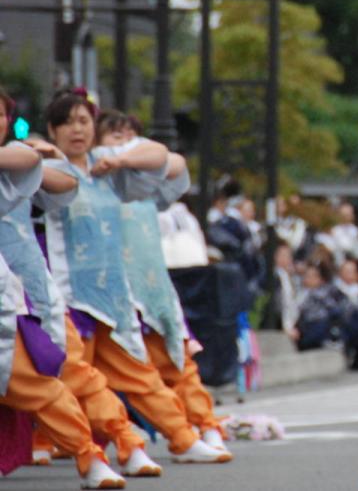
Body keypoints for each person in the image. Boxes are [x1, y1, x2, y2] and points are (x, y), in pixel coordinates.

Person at [40, 90, 229, 466]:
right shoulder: (50, 170)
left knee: (141, 375)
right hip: (70, 298)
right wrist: (42, 152)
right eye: (66, 122)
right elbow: (44, 176)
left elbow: (165, 158)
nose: (76, 130)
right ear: (52, 129)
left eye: (84, 121)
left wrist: (120, 159)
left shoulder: (109, 166)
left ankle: (181, 437)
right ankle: (113, 446)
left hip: (115, 295)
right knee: (76, 380)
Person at [0, 131, 128, 489]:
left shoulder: (13, 164)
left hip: (31, 298)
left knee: (43, 380)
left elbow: (36, 167)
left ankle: (96, 451)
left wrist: (48, 151)